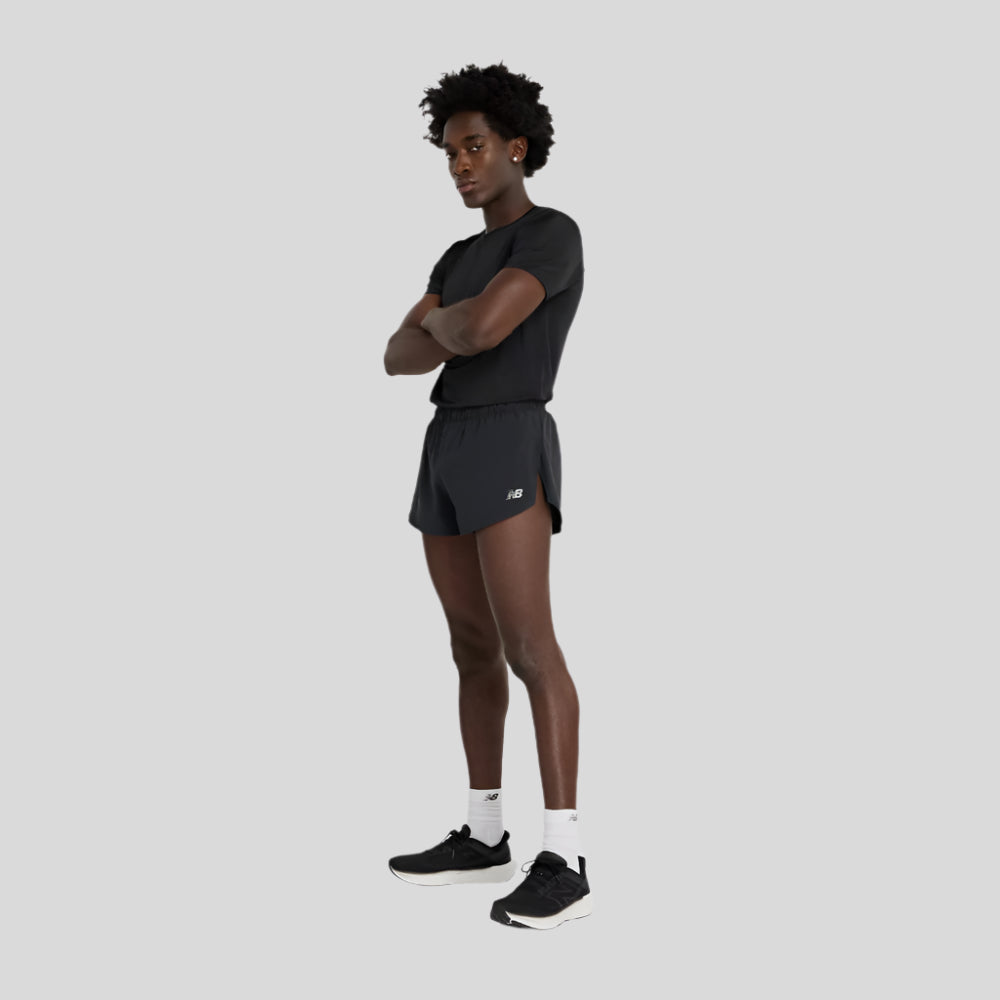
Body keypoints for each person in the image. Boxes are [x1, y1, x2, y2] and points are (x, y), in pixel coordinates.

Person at [382, 63, 591, 930]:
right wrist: (446, 326)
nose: (461, 165)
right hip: (446, 442)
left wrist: (440, 322)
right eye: (449, 153)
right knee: (471, 647)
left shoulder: (551, 234)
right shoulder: (458, 255)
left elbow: (471, 330)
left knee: (528, 648)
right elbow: (394, 356)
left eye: (474, 147)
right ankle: (484, 834)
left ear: (517, 147)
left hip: (510, 433)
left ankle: (565, 858)